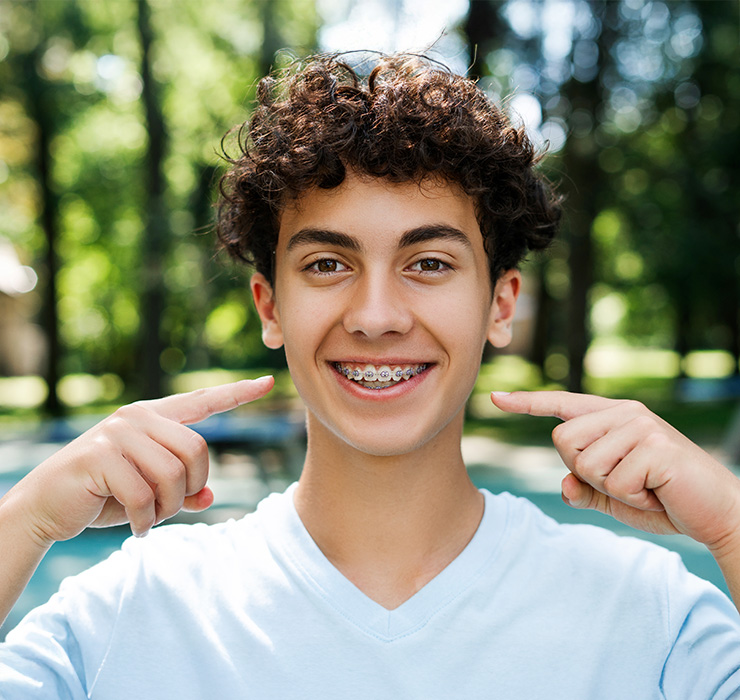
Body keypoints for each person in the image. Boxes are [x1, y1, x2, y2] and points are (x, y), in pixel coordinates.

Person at [1, 52, 739, 698]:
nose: (376, 314)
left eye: (428, 263)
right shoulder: (130, 610)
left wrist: (733, 527)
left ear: (500, 303)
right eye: (327, 264)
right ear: (270, 306)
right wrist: (25, 519)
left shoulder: (650, 614)